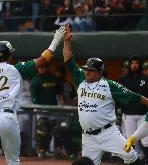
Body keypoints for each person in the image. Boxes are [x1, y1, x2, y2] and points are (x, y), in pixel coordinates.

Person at [0, 26, 66, 165]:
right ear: (10, 56)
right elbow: (44, 59)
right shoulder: (17, 69)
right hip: (7, 117)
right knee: (13, 160)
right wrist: (56, 40)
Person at [62, 24, 148, 165]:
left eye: (90, 70)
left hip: (108, 133)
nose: (86, 72)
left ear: (99, 72)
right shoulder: (80, 79)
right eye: (86, 69)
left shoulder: (109, 85)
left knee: (132, 157)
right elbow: (68, 60)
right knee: (87, 163)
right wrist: (66, 41)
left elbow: (134, 96)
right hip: (88, 137)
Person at [118, 56, 148, 161]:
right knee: (130, 140)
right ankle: (131, 161)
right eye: (132, 63)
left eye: (136, 63)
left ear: (139, 65)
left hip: (143, 114)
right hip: (128, 114)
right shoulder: (122, 79)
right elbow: (118, 96)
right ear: (129, 65)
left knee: (146, 141)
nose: (134, 65)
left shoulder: (145, 79)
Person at [30, 63, 64, 158]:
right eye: (40, 67)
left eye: (43, 67)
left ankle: (47, 149)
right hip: (41, 109)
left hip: (53, 108)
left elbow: (59, 92)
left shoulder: (53, 78)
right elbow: (34, 97)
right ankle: (41, 150)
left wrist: (61, 103)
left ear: (46, 68)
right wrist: (37, 107)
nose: (41, 69)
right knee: (43, 129)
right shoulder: (35, 80)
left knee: (52, 129)